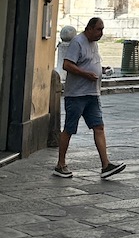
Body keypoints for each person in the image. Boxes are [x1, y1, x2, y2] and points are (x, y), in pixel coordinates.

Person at [53, 17, 125, 179]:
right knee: (69, 129)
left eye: (102, 29)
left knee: (98, 127)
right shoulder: (77, 42)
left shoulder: (94, 44)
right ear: (89, 28)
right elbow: (67, 65)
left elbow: (89, 62)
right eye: (99, 29)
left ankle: (106, 165)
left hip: (92, 94)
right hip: (76, 95)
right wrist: (86, 74)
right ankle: (60, 164)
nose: (101, 33)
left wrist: (102, 69)